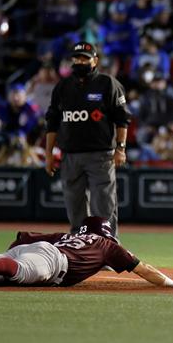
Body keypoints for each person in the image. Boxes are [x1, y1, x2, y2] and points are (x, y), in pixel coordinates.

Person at [0, 216, 173, 288]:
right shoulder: (108, 245)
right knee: (8, 271)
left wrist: (11, 253)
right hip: (54, 262)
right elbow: (144, 269)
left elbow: (25, 237)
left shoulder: (71, 234)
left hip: (39, 248)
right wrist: (171, 283)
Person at [45, 42, 131, 236]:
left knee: (104, 205)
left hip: (101, 155)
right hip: (70, 156)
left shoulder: (108, 84)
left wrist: (121, 148)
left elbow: (122, 119)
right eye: (77, 58)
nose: (80, 62)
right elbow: (52, 122)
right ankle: (78, 247)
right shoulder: (63, 86)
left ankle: (108, 247)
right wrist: (49, 154)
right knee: (74, 205)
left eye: (85, 58)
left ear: (95, 61)